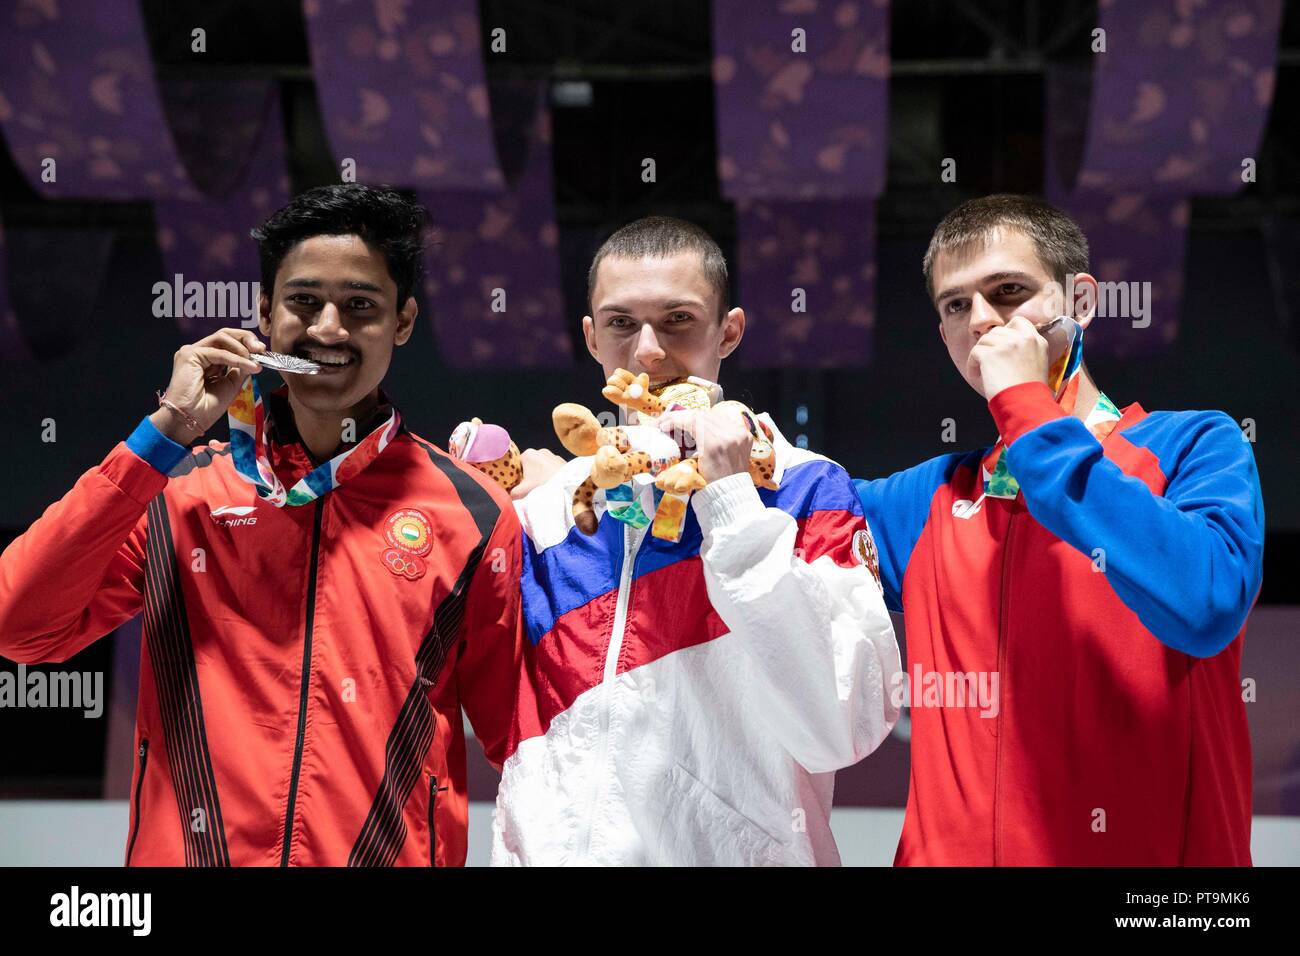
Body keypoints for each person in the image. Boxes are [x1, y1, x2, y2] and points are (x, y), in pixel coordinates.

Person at [0, 184, 525, 866]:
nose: (329, 329)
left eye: (360, 306)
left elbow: (518, 735)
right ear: (265, 316)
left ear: (403, 321)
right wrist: (164, 435)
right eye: (305, 302)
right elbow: (20, 627)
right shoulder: (176, 493)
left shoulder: (474, 513)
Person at [854, 193, 1264, 865]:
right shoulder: (926, 499)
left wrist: (1026, 408)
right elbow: (778, 509)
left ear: (1081, 301)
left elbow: (1207, 605)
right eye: (956, 305)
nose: (982, 321)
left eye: (1008, 291)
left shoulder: (1194, 446)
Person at [490, 216, 902, 865]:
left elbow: (839, 730)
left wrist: (731, 502)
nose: (649, 350)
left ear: (728, 332)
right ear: (593, 338)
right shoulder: (550, 511)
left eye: (678, 319)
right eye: (622, 324)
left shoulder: (804, 488)